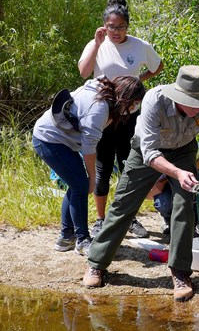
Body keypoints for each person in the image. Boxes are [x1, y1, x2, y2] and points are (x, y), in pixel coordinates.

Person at [82, 66, 199, 303]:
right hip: (146, 151)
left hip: (183, 150)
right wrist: (177, 172)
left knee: (184, 205)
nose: (197, 107)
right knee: (124, 204)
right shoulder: (155, 100)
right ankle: (96, 263)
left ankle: (180, 273)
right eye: (192, 102)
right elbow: (149, 152)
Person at [78, 0, 164, 238]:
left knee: (130, 167)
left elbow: (158, 66)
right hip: (102, 116)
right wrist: (96, 43)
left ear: (128, 26)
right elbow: (84, 72)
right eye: (111, 27)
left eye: (121, 27)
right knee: (103, 168)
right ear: (104, 25)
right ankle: (100, 219)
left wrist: (139, 80)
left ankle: (130, 218)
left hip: (130, 117)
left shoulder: (139, 45)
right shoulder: (97, 44)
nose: (115, 32)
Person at [32, 76, 145, 256]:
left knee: (76, 184)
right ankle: (82, 240)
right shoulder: (99, 110)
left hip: (62, 141)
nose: (134, 108)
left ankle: (65, 237)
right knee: (81, 186)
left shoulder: (106, 94)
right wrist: (92, 178)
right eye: (134, 103)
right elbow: (89, 149)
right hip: (48, 140)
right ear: (125, 98)